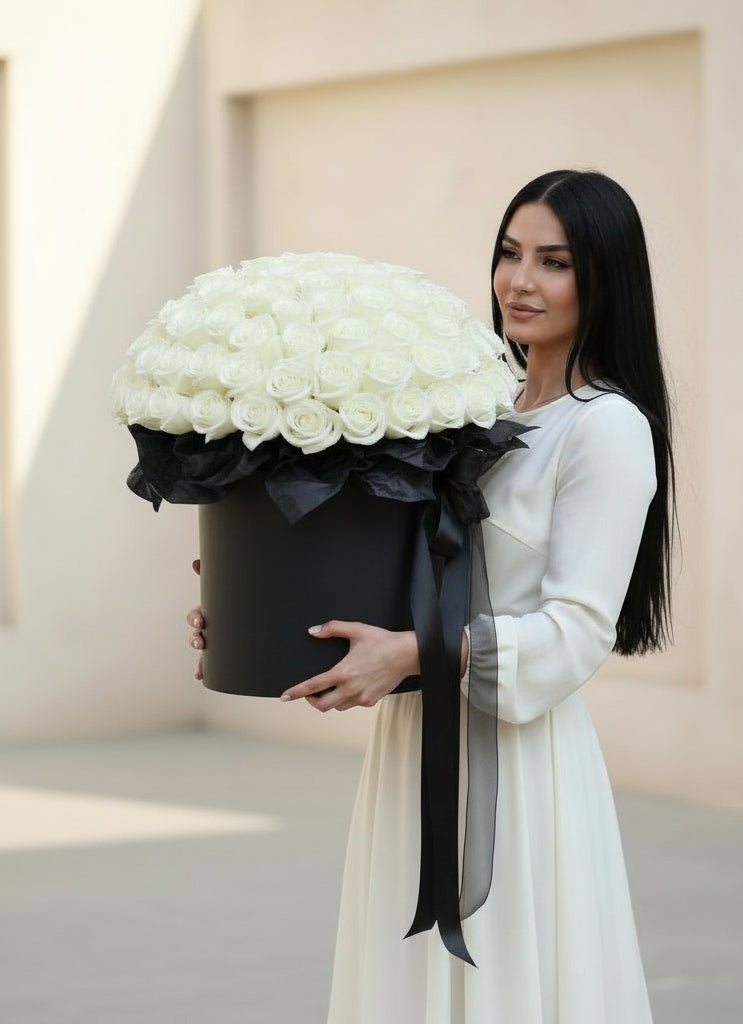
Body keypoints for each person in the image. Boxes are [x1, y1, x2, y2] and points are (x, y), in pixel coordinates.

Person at [187, 169, 675, 1023]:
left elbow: (577, 632)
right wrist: (256, 603)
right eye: (509, 253)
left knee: (506, 984)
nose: (520, 281)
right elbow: (402, 569)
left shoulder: (607, 427)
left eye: (554, 262)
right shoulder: (472, 408)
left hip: (518, 761)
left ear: (607, 278)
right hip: (418, 738)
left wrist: (416, 652)